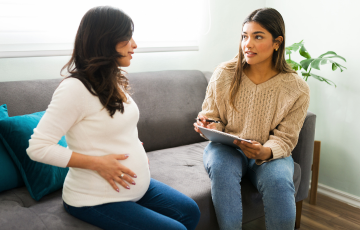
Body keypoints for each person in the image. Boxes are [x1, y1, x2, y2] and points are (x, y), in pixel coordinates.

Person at [27, 6, 200, 230]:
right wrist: (98, 163)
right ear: (106, 41)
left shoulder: (113, 79)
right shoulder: (74, 89)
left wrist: (136, 146)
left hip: (136, 187)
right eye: (127, 39)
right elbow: (38, 148)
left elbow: (117, 125)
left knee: (189, 212)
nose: (135, 45)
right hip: (93, 199)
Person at [193, 7, 310, 230]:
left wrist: (264, 151)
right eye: (244, 36)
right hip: (226, 148)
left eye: (258, 37)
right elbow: (212, 117)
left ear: (277, 42)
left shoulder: (297, 88)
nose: (248, 44)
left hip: (268, 153)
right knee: (222, 170)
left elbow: (286, 138)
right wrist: (208, 125)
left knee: (278, 181)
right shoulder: (224, 73)